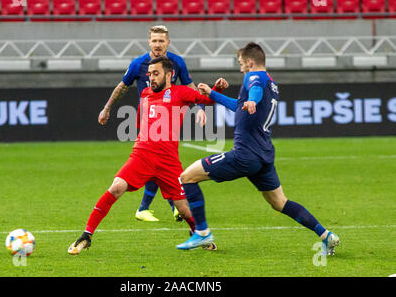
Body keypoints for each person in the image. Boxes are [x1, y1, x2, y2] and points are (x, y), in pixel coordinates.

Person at [176, 42, 340, 257]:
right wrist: (212, 94)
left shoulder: (254, 77)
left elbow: (253, 92)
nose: (240, 68)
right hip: (263, 155)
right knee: (280, 203)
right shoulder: (272, 84)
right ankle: (326, 235)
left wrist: (252, 100)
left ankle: (202, 232)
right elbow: (240, 106)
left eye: (241, 64)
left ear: (250, 62)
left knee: (187, 177)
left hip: (245, 154)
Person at [68, 56, 221, 255]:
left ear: (169, 74)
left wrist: (218, 88)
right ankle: (86, 235)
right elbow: (142, 124)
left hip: (168, 161)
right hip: (142, 156)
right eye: (149, 74)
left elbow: (207, 99)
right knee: (116, 187)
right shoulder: (146, 94)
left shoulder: (181, 92)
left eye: (155, 74)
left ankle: (200, 235)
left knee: (184, 210)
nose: (151, 78)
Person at [97, 25, 206, 223]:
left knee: (159, 163)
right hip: (149, 120)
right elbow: (122, 86)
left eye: (161, 41)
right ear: (149, 42)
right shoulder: (138, 63)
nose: (157, 44)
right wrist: (107, 108)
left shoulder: (177, 62)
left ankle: (157, 206)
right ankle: (165, 205)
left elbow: (189, 86)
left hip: (171, 118)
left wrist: (200, 110)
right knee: (156, 161)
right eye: (154, 40)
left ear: (168, 43)